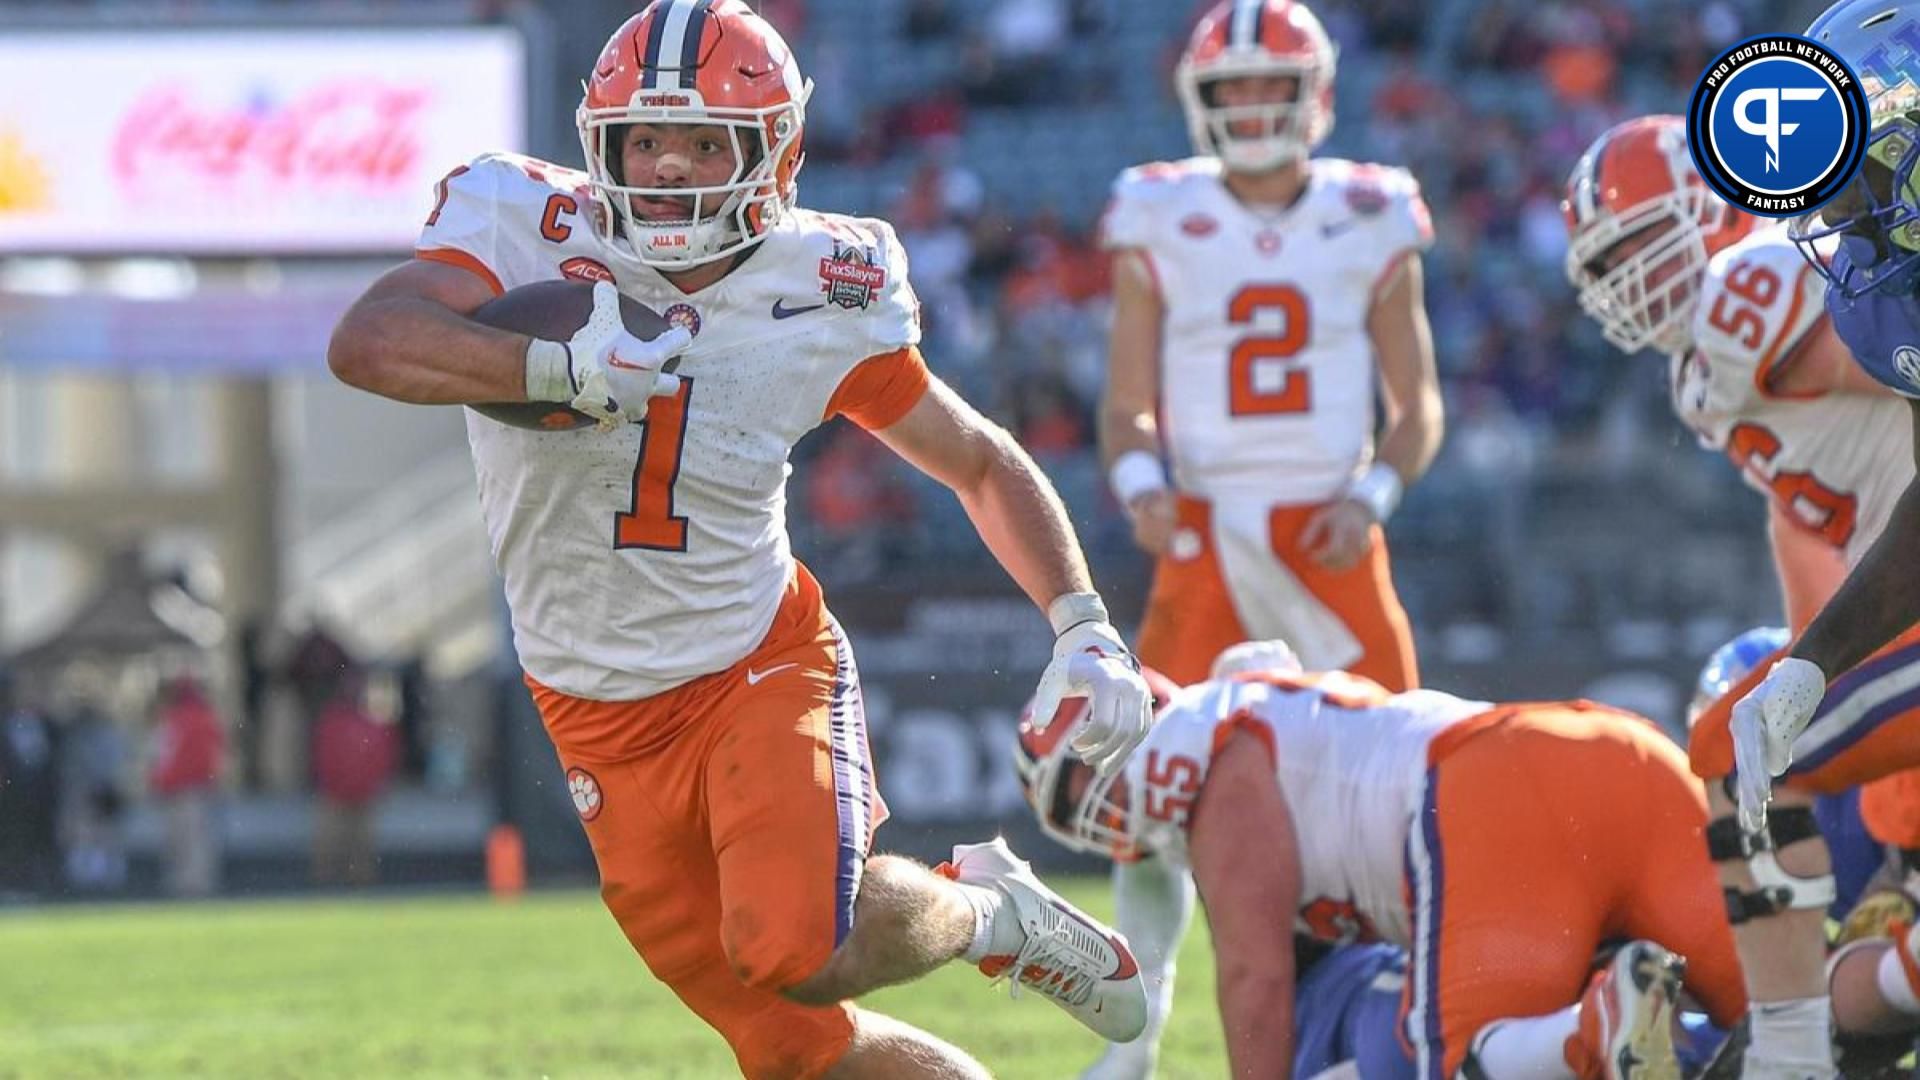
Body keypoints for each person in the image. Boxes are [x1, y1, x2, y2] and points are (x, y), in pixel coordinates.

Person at [326, 3, 1157, 1076]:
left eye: (704, 141)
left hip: (754, 665)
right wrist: (550, 369)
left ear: (774, 150)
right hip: (588, 709)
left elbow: (978, 460)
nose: (668, 167)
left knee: (794, 948)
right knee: (795, 1050)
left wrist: (1083, 624)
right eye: (644, 140)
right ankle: (984, 920)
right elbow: (368, 342)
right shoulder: (520, 215)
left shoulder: (821, 286)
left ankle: (990, 913)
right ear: (600, 144)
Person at [1564, 112, 1920, 1073]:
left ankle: (1788, 1053)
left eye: (1646, 238)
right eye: (1610, 262)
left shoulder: (1747, 285)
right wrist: (1812, 661)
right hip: (1898, 607)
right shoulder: (1701, 371)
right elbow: (1804, 523)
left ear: (1713, 210)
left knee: (1731, 744)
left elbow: (1903, 369)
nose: (1630, 276)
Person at [1017, 641, 1746, 1079]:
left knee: (1461, 1067)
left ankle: (1590, 1023)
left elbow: (1254, 978)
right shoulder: (1252, 704)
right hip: (1618, 754)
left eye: (1079, 779)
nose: (1093, 800)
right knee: (1785, 1023)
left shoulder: (1210, 761)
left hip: (1492, 798)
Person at [1098, 0, 1443, 688]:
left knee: (1396, 768)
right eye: (1233, 87)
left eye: (1269, 84)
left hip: (1331, 531)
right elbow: (1123, 403)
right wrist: (1142, 490)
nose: (1250, 105)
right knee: (1158, 775)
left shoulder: (1371, 212)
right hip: (1201, 529)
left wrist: (1368, 501)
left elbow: (1418, 407)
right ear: (1202, 97)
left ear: (1312, 93)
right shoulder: (1159, 212)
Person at [148, 675, 225, 898]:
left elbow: (163, 755)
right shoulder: (207, 717)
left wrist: (157, 782)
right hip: (198, 787)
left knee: (181, 841)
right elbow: (217, 754)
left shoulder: (173, 719)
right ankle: (196, 885)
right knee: (197, 841)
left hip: (178, 788)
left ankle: (186, 887)